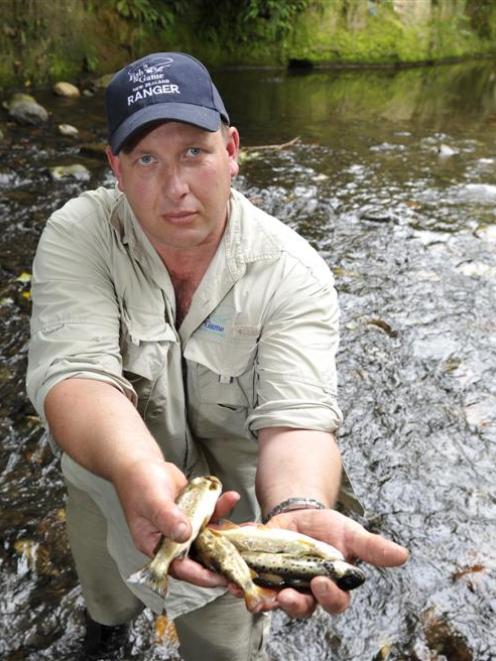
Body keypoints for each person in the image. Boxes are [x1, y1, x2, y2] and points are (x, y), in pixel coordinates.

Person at [26, 52, 408, 660]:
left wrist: (299, 506)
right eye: (147, 159)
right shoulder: (80, 234)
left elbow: (298, 419)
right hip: (106, 489)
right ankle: (105, 635)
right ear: (116, 169)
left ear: (232, 150)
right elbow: (74, 371)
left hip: (230, 525)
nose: (174, 187)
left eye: (194, 153)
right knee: (106, 600)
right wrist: (133, 472)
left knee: (223, 649)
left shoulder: (293, 273)